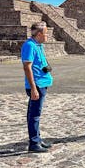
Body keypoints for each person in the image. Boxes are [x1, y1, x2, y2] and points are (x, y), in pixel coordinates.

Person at [21, 21, 53, 153]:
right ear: (39, 33)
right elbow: (27, 67)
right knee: (34, 115)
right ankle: (34, 143)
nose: (47, 36)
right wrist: (33, 88)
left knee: (36, 114)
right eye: (46, 33)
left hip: (42, 83)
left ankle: (38, 139)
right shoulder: (29, 45)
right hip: (37, 85)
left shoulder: (38, 45)